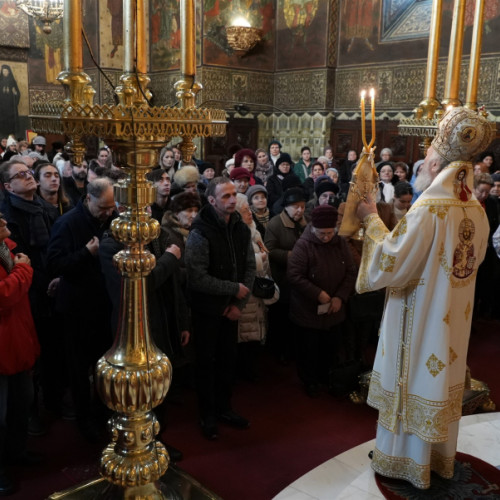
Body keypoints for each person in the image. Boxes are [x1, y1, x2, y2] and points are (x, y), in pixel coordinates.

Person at [355, 106, 492, 489]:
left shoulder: (430, 209)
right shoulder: (475, 209)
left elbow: (392, 259)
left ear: (436, 164)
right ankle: (437, 460)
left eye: (429, 151)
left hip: (420, 314)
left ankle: (403, 461)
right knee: (441, 377)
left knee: (413, 378)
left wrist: (370, 218)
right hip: (455, 316)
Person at [47, 178, 117, 442]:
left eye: (112, 207)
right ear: (88, 199)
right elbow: (54, 264)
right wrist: (86, 253)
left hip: (104, 304)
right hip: (77, 308)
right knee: (79, 368)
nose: (109, 213)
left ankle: (101, 413)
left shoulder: (111, 218)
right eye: (104, 207)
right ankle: (83, 419)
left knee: (104, 364)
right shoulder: (67, 223)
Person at [185, 177, 255, 440]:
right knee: (206, 363)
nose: (232, 200)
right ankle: (207, 415)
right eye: (225, 196)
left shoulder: (240, 227)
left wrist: (239, 303)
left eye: (234, 194)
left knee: (228, 361)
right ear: (212, 200)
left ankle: (225, 408)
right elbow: (197, 278)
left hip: (232, 310)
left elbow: (249, 267)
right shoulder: (200, 231)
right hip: (207, 310)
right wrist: (232, 290)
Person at [288, 205, 356, 397]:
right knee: (309, 349)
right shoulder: (304, 245)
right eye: (321, 233)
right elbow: (294, 275)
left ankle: (327, 376)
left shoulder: (340, 243)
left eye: (329, 233)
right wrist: (318, 293)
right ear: (313, 228)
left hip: (334, 308)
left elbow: (351, 272)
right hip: (308, 310)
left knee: (330, 347)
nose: (325, 237)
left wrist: (339, 297)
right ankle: (310, 381)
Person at [0, 213, 40, 496]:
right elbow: (3, 296)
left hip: (16, 339)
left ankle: (16, 452)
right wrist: (24, 270)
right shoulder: (17, 258)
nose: (3, 218)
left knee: (21, 403)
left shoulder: (9, 248)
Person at [264, 187, 307, 363]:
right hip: (283, 278)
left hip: (302, 279)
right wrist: (293, 256)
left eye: (303, 206)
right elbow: (270, 250)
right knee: (282, 318)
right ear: (286, 207)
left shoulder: (306, 223)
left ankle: (296, 349)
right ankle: (280, 351)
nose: (300, 210)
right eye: (296, 206)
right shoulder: (275, 224)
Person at [235, 194, 270, 381]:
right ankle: (242, 371)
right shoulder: (236, 233)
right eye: (245, 210)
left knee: (255, 331)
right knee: (244, 333)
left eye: (249, 208)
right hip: (245, 292)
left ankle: (250, 368)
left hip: (257, 289)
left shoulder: (253, 230)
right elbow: (238, 263)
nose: (250, 212)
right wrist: (260, 259)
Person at [0, 65, 20, 138]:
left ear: (9, 72)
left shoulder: (12, 81)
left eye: (6, 71)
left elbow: (17, 93)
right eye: (3, 71)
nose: (4, 72)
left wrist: (15, 93)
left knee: (10, 124)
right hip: (1, 107)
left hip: (10, 107)